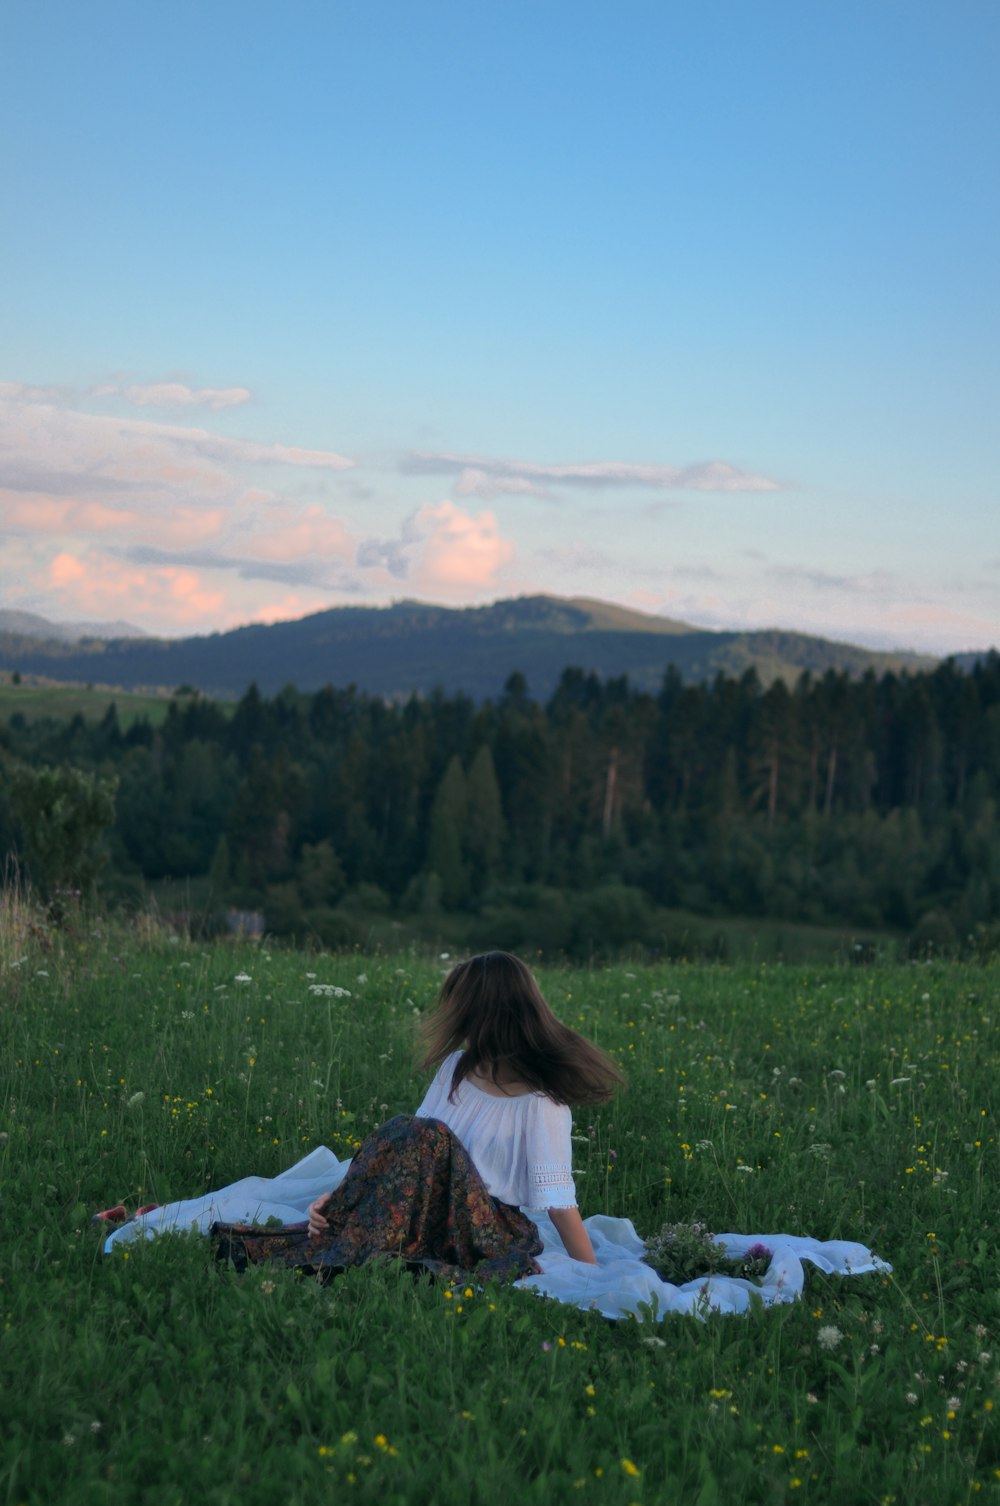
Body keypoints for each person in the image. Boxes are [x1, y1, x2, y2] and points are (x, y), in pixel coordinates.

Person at [211, 951, 625, 1282]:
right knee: (411, 1131)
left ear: (486, 1014)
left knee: (425, 1135)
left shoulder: (541, 1102)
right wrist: (338, 1200)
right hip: (431, 1207)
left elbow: (559, 1203)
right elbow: (406, 1158)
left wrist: (591, 1274)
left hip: (489, 1228)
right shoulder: (458, 1068)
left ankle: (337, 1257)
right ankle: (337, 1235)